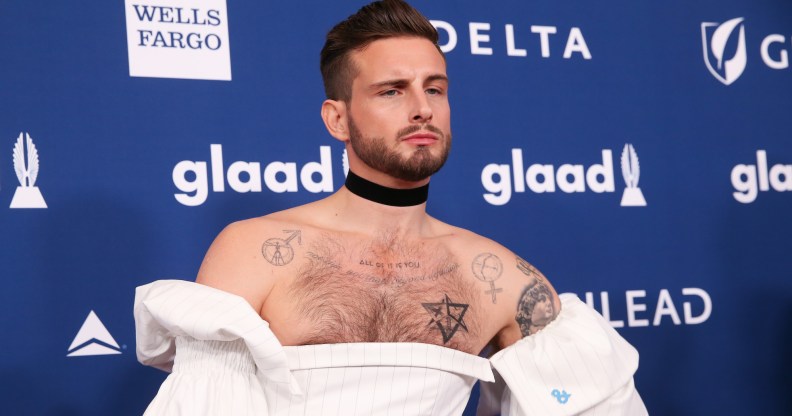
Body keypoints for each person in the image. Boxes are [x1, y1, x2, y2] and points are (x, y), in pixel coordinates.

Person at [134, 1, 647, 415]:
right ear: (338, 119)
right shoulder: (256, 251)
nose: (422, 107)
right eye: (391, 90)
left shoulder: (501, 278)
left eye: (435, 88)